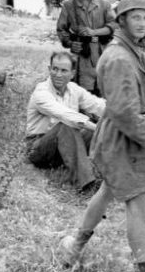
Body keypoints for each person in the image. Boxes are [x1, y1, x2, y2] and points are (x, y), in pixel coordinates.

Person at [58, 0, 145, 272]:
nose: (142, 23)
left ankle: (72, 248)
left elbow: (132, 104)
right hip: (121, 138)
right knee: (139, 206)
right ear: (122, 20)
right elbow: (123, 112)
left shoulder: (131, 51)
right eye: (135, 17)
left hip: (124, 136)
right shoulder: (119, 58)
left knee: (107, 192)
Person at [26, 51, 105, 191]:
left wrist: (124, 113)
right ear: (49, 69)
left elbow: (97, 105)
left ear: (72, 73)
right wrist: (97, 128)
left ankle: (114, 176)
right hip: (39, 148)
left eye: (64, 70)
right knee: (68, 126)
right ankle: (85, 183)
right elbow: (65, 115)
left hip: (64, 146)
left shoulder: (74, 89)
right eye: (55, 69)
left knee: (99, 130)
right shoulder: (41, 92)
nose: (58, 74)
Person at [56, 0, 116, 96]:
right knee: (81, 92)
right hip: (82, 53)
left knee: (104, 90)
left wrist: (94, 32)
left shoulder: (104, 5)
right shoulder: (69, 5)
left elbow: (113, 25)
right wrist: (70, 43)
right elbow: (61, 29)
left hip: (102, 52)